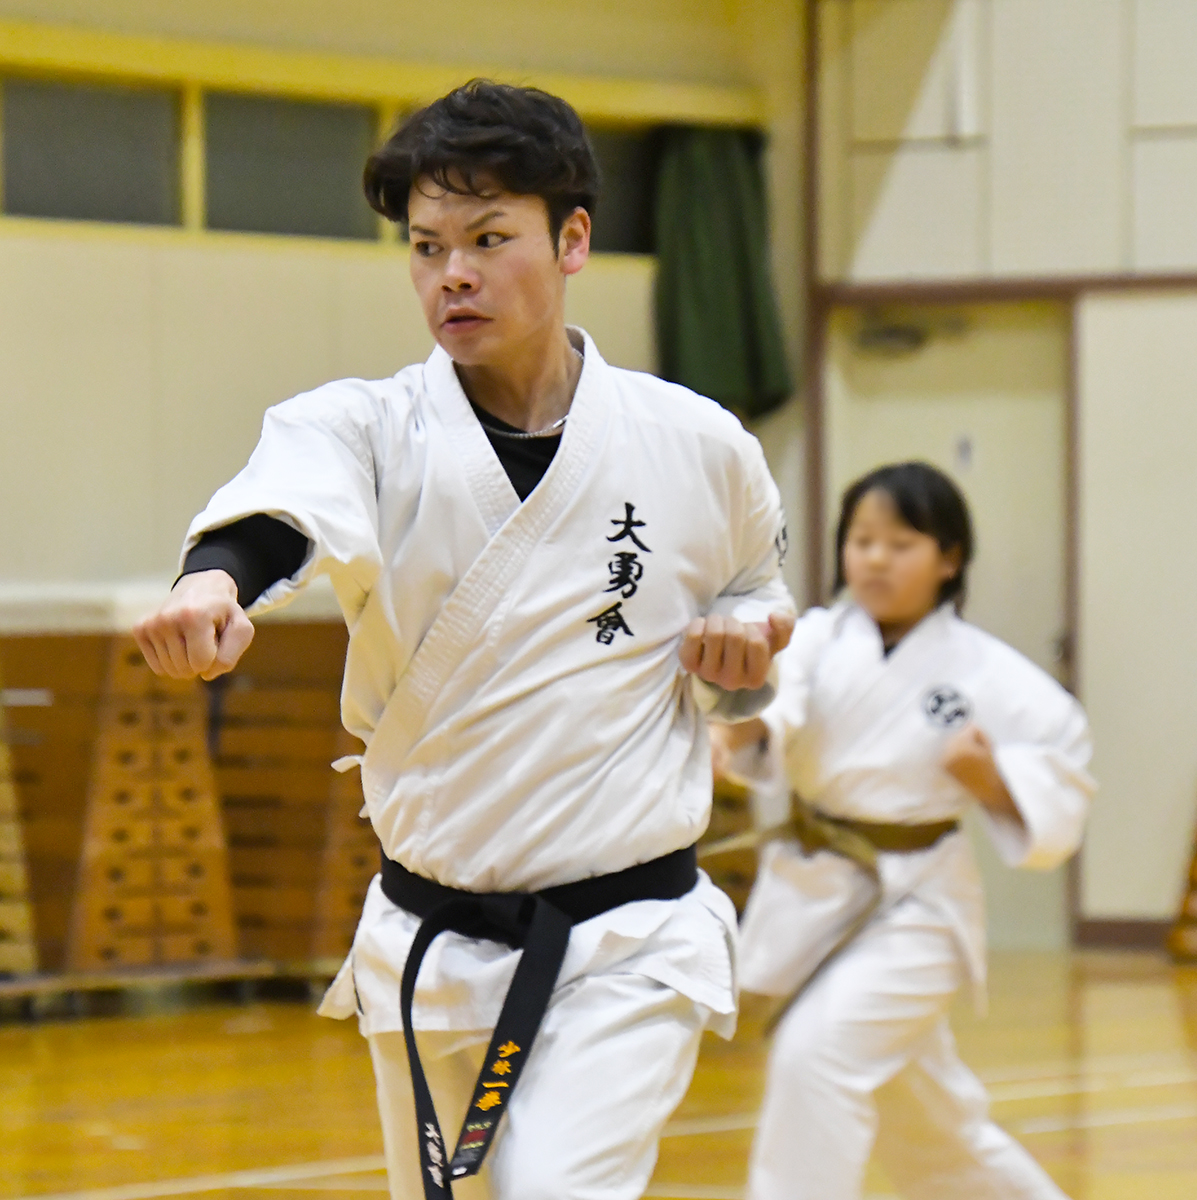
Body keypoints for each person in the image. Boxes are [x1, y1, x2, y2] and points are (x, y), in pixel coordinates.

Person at [133, 80, 796, 1200]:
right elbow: (284, 505)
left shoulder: (699, 445)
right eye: (427, 245)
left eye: (490, 239)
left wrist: (743, 659)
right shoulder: (374, 425)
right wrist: (214, 584)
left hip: (625, 944)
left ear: (573, 238)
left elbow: (755, 597)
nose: (454, 274)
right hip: (432, 945)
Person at [711, 462, 1094, 1200]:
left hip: (918, 903)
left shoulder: (986, 672)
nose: (876, 558)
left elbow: (1061, 759)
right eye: (861, 540)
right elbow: (773, 708)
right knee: (928, 1125)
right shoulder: (819, 639)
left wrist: (992, 783)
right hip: (818, 890)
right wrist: (739, 731)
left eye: (901, 542)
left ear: (949, 558)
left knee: (815, 1056)